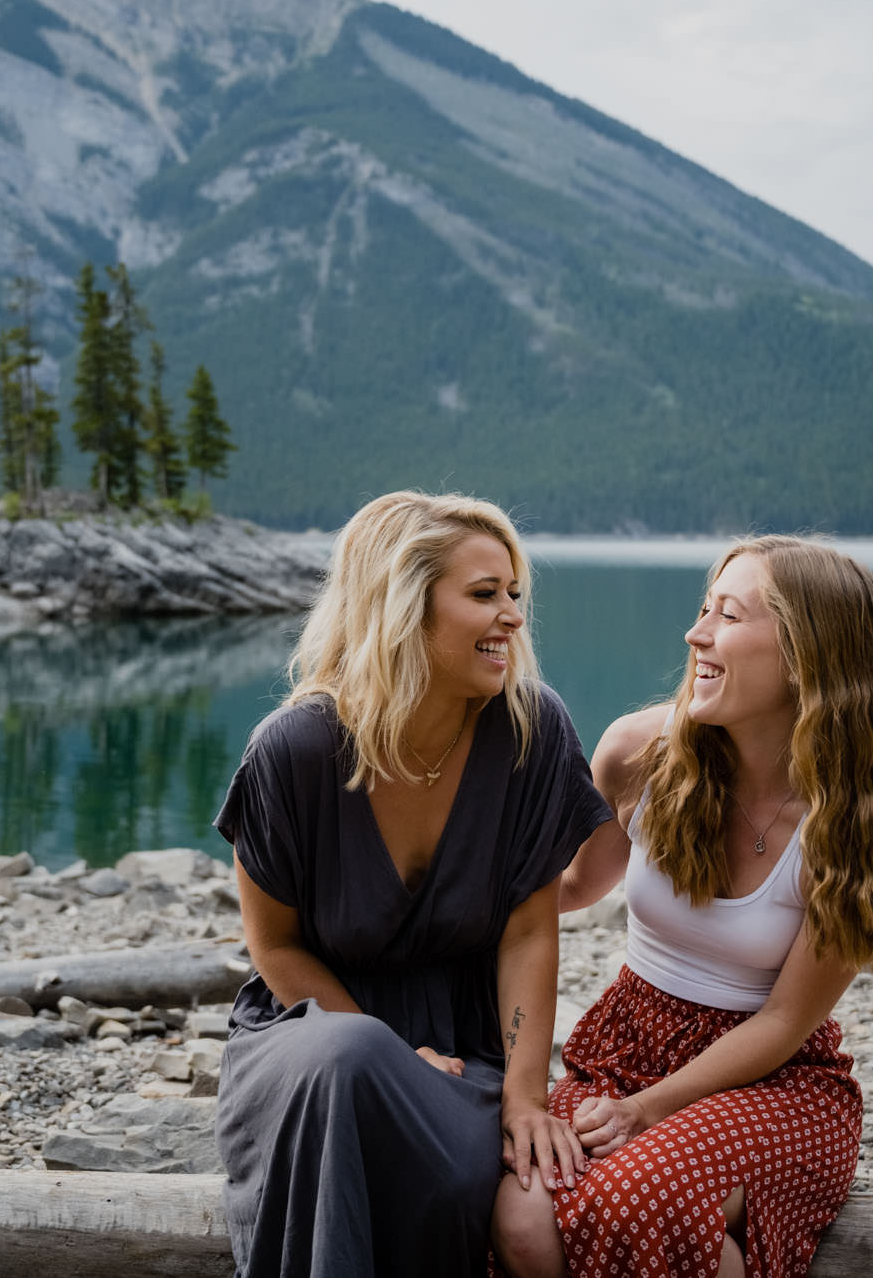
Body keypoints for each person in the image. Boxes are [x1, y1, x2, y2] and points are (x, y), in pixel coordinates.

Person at [492, 535, 873, 1278]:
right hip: (625, 1047)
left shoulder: (855, 816)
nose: (696, 635)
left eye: (727, 615)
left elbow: (785, 1020)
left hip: (775, 1080)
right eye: (703, 609)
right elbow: (570, 886)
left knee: (635, 1199)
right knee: (522, 1213)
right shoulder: (639, 754)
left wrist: (646, 1110)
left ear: (806, 654)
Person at [213, 490, 615, 1278]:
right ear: (403, 608)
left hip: (466, 1051)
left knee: (466, 1178)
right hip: (307, 1034)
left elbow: (529, 933)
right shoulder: (292, 751)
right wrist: (386, 1054)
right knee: (348, 1058)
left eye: (514, 593)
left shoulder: (532, 731)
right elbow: (275, 946)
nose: (513, 617)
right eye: (484, 594)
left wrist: (527, 1098)